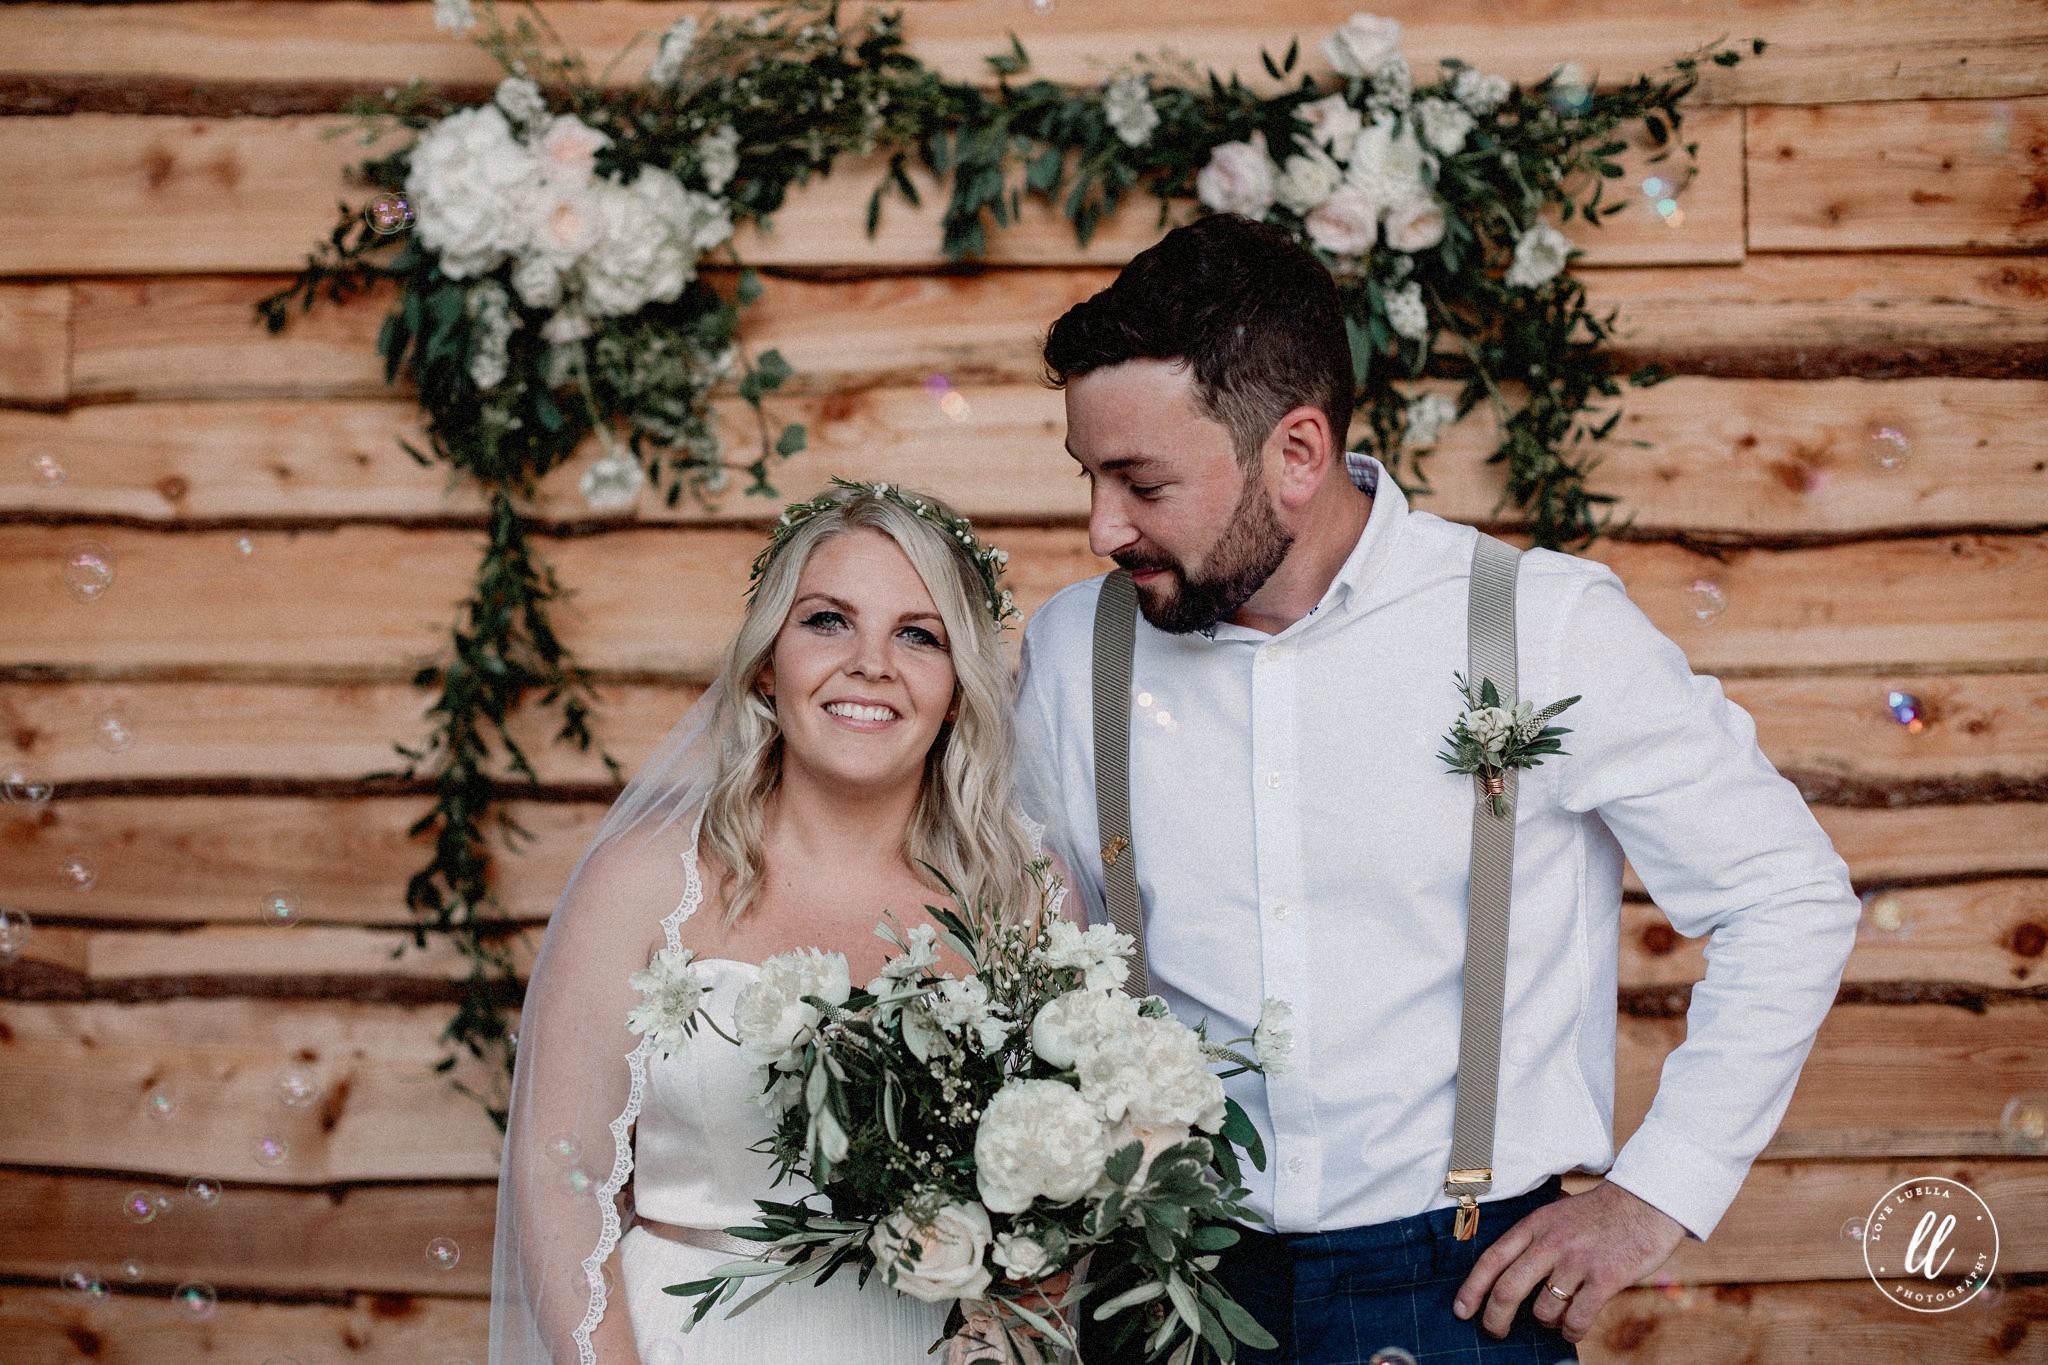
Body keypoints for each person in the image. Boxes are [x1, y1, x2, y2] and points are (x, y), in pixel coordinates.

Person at [1012, 214, 1862, 1363]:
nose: (1100, 525)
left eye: (1140, 481)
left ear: (1296, 453)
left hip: (1460, 1298)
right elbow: (1025, 948)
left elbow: (1785, 894)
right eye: (1089, 477)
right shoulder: (1074, 649)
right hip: (1163, 1293)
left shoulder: (1543, 624)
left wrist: (1658, 1191)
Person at [489, 480, 1064, 1365]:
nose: (871, 662)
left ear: (957, 690)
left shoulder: (1024, 894)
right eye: (829, 620)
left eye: (919, 634)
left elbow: (1073, 1198)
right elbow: (559, 1187)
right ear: (766, 661)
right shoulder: (643, 882)